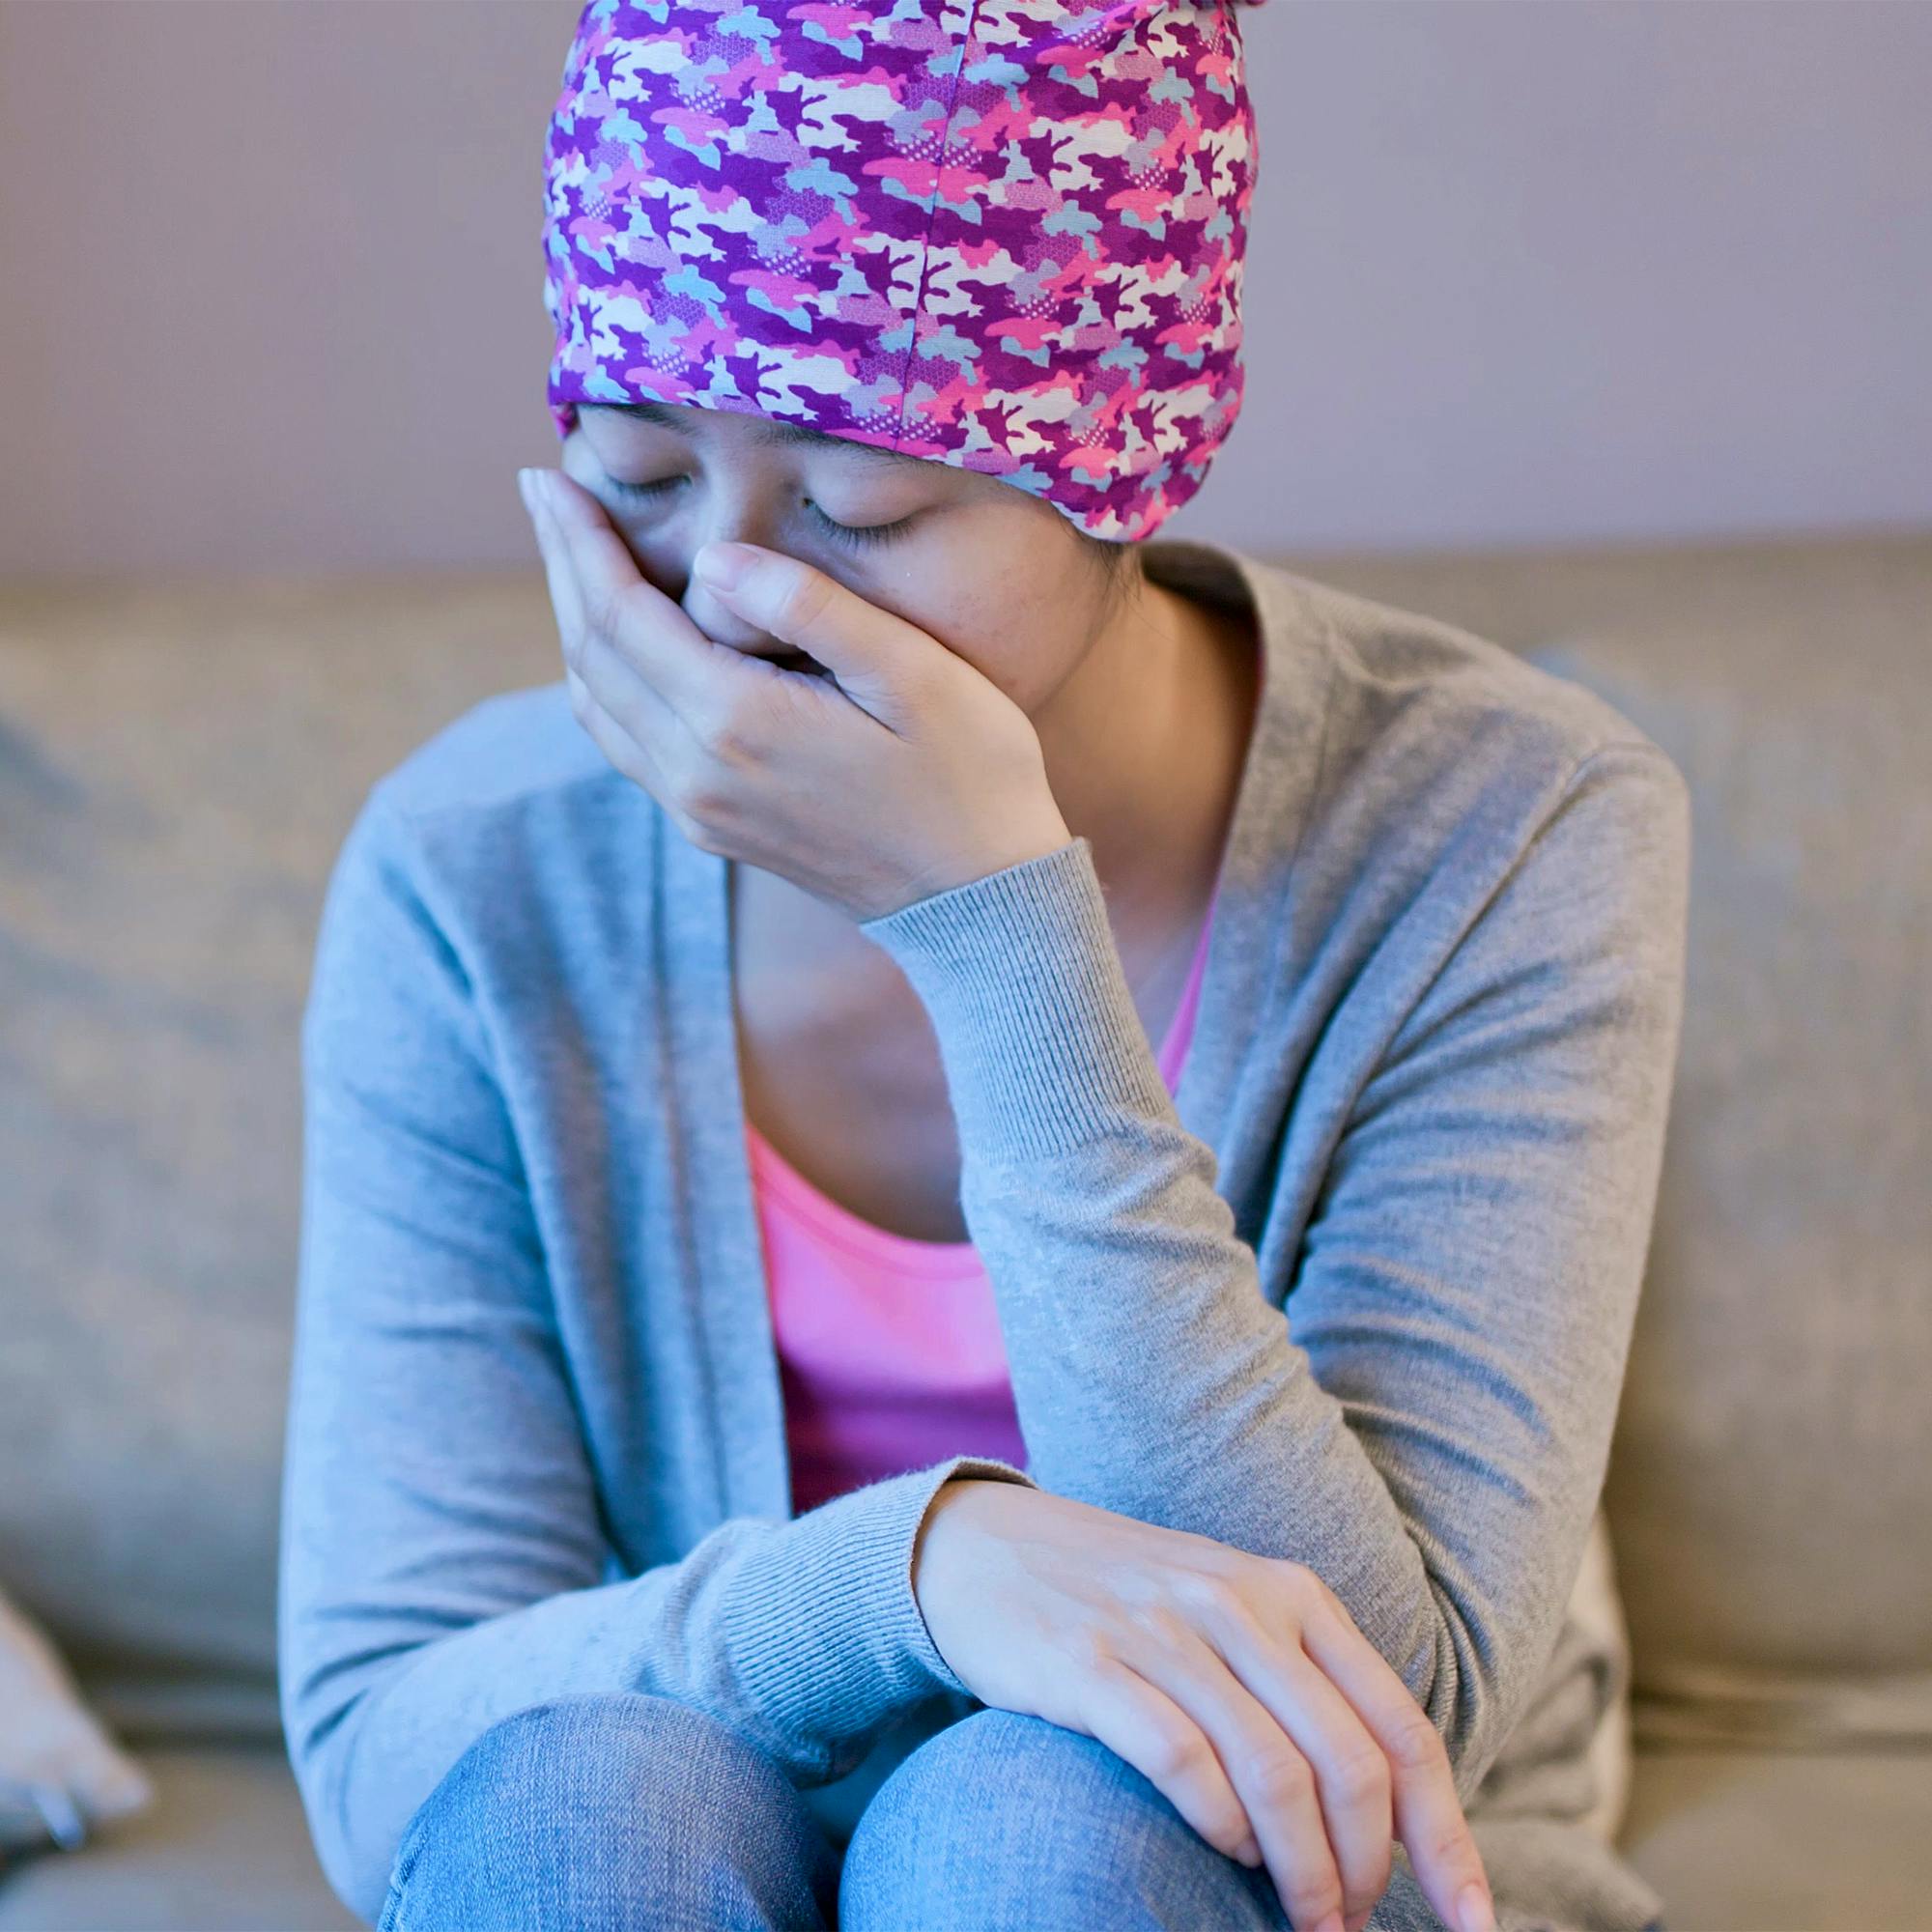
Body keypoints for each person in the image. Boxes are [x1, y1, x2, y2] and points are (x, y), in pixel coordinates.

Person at [278, 2, 1686, 1929]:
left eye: (866, 508)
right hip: (675, 1810)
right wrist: (926, 1571)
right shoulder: (471, 876)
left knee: (1030, 1827)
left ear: (1125, 458)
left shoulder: (1501, 825)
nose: (732, 600)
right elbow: (386, 1741)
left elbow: (1380, 1726)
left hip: (1241, 1862)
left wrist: (1001, 939)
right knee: (573, 1805)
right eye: (640, 470)